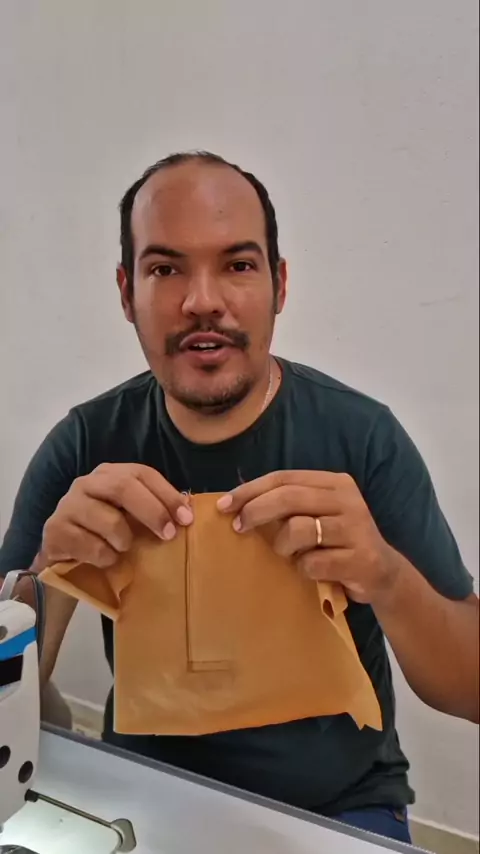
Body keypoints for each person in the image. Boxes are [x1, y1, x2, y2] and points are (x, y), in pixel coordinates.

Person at [1, 151, 478, 846]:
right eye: (165, 269)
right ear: (126, 292)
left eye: (238, 264)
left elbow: (471, 690)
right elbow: (13, 703)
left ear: (279, 284)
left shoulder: (362, 438)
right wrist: (48, 574)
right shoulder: (85, 445)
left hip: (339, 809)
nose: (202, 300)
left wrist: (386, 575)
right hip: (138, 792)